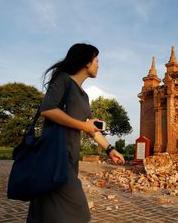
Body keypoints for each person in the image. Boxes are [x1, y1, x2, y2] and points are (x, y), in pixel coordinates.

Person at [27, 43, 125, 223]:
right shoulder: (62, 80)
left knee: (45, 211)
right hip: (55, 156)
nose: (98, 65)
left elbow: (91, 130)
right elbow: (47, 110)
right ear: (87, 62)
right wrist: (82, 125)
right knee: (80, 214)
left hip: (70, 158)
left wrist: (110, 149)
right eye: (96, 60)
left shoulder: (83, 95)